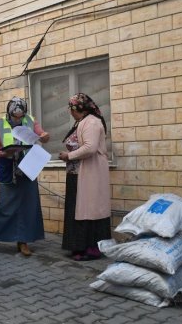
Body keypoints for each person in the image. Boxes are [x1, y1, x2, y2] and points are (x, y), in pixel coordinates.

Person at [0, 97, 50, 257]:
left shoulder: (30, 120)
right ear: (9, 113)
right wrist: (3, 153)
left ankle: (23, 242)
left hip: (28, 168)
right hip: (8, 168)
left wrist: (44, 136)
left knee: (27, 206)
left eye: (20, 117)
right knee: (4, 206)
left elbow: (42, 135)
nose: (18, 119)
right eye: (15, 117)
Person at [58, 93, 111, 261]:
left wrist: (69, 156)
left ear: (78, 108)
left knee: (90, 210)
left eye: (71, 108)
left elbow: (90, 148)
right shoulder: (82, 122)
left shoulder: (92, 122)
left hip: (90, 173)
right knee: (77, 209)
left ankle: (92, 249)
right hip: (78, 174)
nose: (69, 112)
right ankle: (78, 247)